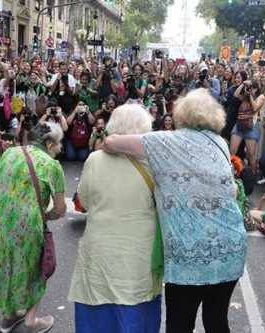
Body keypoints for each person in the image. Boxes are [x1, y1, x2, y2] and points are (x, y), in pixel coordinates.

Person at [103, 88, 247, 333]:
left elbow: (111, 142)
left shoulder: (164, 141)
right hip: (231, 248)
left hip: (188, 254)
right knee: (217, 322)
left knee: (179, 325)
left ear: (181, 115)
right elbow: (230, 189)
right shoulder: (221, 144)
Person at [68, 104, 161, 332]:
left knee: (96, 307)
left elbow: (85, 202)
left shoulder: (94, 159)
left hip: (99, 252)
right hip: (138, 254)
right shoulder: (153, 163)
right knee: (136, 310)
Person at [0, 122, 66, 333]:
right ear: (49, 143)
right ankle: (31, 320)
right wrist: (45, 216)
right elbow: (61, 209)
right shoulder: (52, 165)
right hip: (24, 221)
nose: (61, 148)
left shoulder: (10, 153)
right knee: (37, 266)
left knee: (5, 261)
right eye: (59, 143)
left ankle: (9, 316)